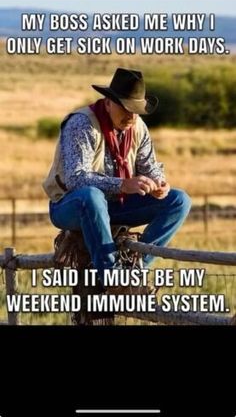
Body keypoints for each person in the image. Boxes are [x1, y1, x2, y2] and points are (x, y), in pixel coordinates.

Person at [43, 67, 191, 291]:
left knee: (179, 200)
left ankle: (134, 272)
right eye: (126, 108)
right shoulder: (81, 124)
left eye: (137, 110)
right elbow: (76, 179)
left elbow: (150, 166)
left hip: (117, 205)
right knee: (91, 196)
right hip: (70, 205)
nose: (132, 116)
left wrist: (159, 183)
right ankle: (113, 279)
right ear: (109, 102)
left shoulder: (138, 126)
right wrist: (123, 184)